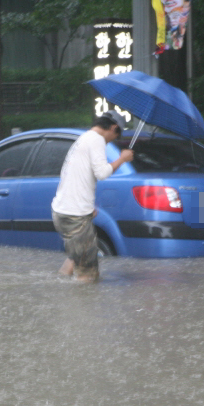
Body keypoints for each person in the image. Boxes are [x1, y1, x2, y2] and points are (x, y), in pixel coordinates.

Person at [51, 109, 134, 282]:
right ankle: (79, 308)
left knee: (76, 257)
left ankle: (58, 289)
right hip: (74, 215)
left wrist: (88, 207)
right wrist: (122, 159)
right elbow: (102, 172)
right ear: (113, 127)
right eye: (117, 134)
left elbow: (77, 176)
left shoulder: (85, 139)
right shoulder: (96, 140)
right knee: (88, 276)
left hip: (64, 211)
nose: (115, 139)